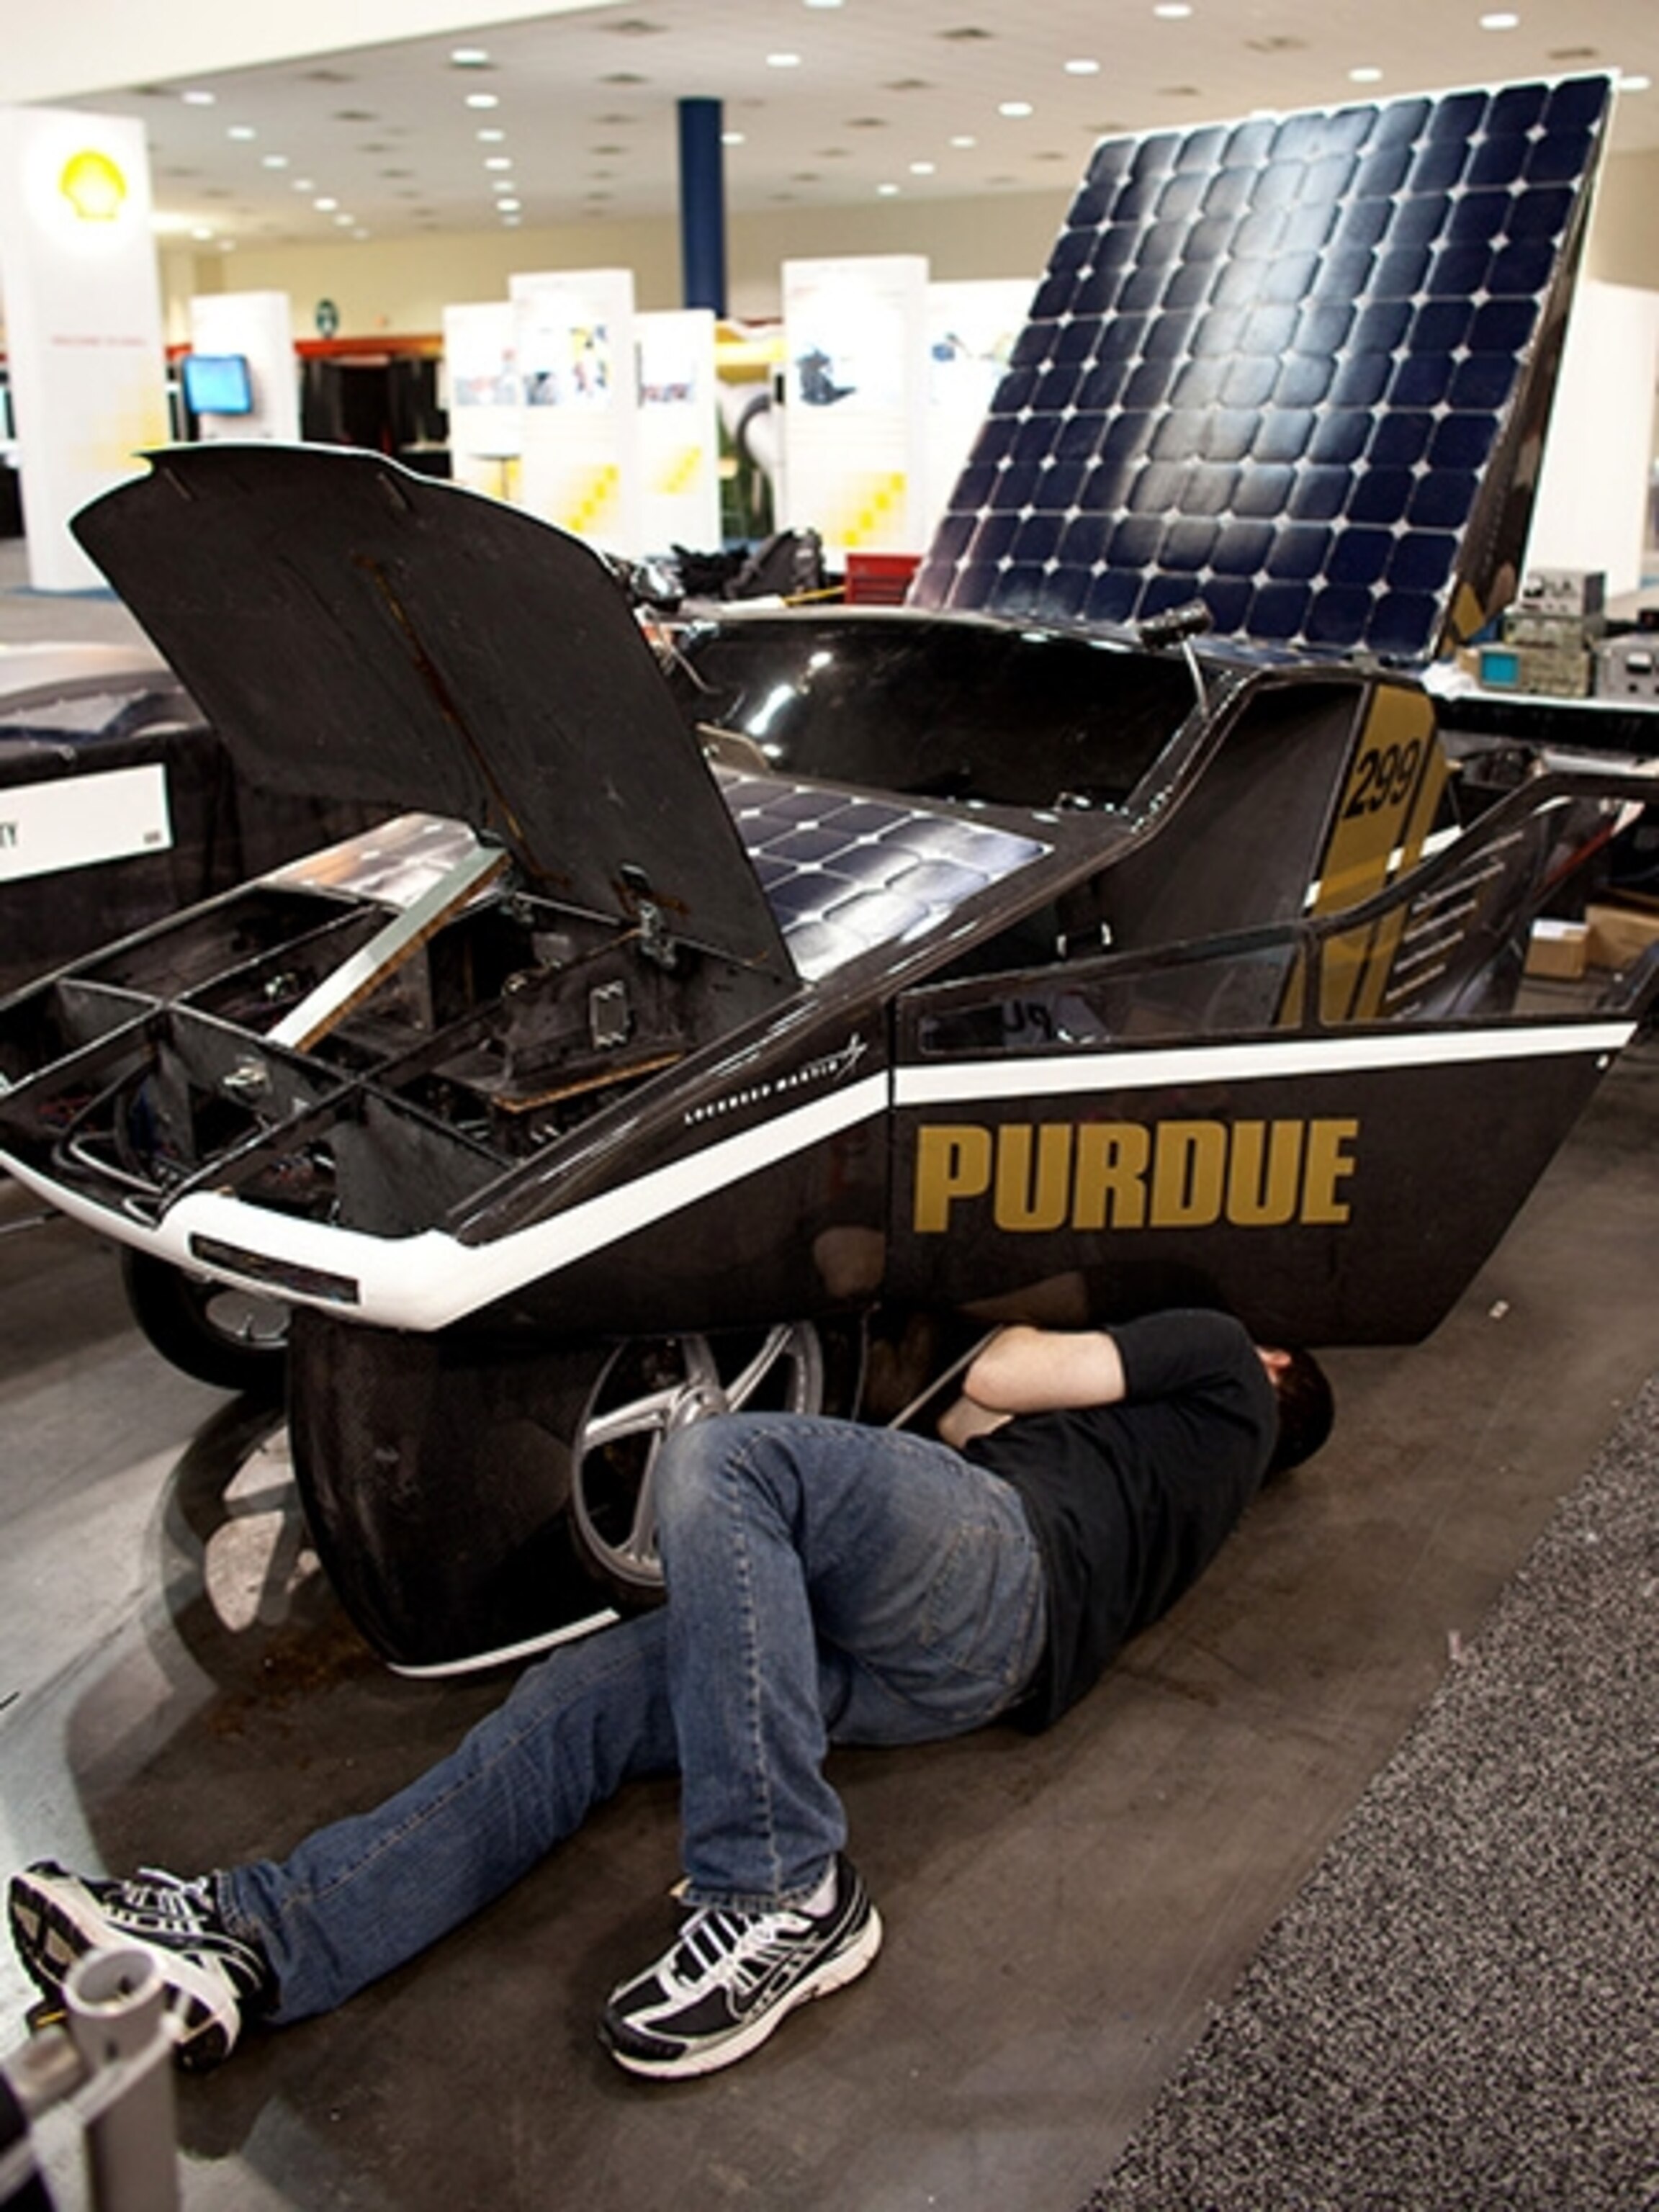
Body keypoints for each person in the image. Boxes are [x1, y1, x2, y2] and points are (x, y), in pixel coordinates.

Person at [8, 1308, 1331, 2083]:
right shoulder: (1196, 1482)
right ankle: (261, 1941)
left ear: (1278, 1371)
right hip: (965, 1673)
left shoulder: (1220, 1357)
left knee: (728, 1464)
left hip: (997, 1570)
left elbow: (991, 1385)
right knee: (578, 1701)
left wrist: (1015, 1325)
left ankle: (783, 1892)